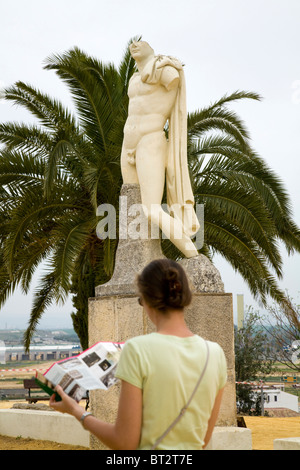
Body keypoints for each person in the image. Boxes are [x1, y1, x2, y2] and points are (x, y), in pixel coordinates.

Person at [50, 259, 227, 450]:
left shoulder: (137, 349)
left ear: (147, 300)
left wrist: (77, 412)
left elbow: (124, 442)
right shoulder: (215, 353)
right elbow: (203, 440)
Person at [120, 40, 200, 258]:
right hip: (129, 144)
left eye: (140, 43)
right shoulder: (135, 77)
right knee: (131, 203)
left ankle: (192, 255)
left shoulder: (164, 69)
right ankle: (136, 261)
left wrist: (164, 63)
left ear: (151, 49)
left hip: (150, 139)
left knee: (151, 209)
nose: (134, 45)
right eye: (132, 44)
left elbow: (175, 80)